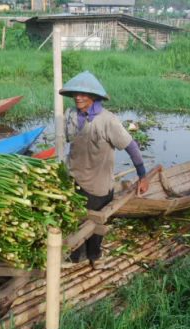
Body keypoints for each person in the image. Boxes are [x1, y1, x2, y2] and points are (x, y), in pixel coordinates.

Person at [59, 70, 149, 268]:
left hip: (98, 183)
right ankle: (76, 256)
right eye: (75, 93)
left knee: (96, 223)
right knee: (75, 219)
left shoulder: (108, 120)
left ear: (94, 96)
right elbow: (65, 141)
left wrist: (142, 176)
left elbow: (131, 147)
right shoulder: (70, 115)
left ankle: (95, 257)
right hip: (74, 177)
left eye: (83, 94)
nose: (77, 97)